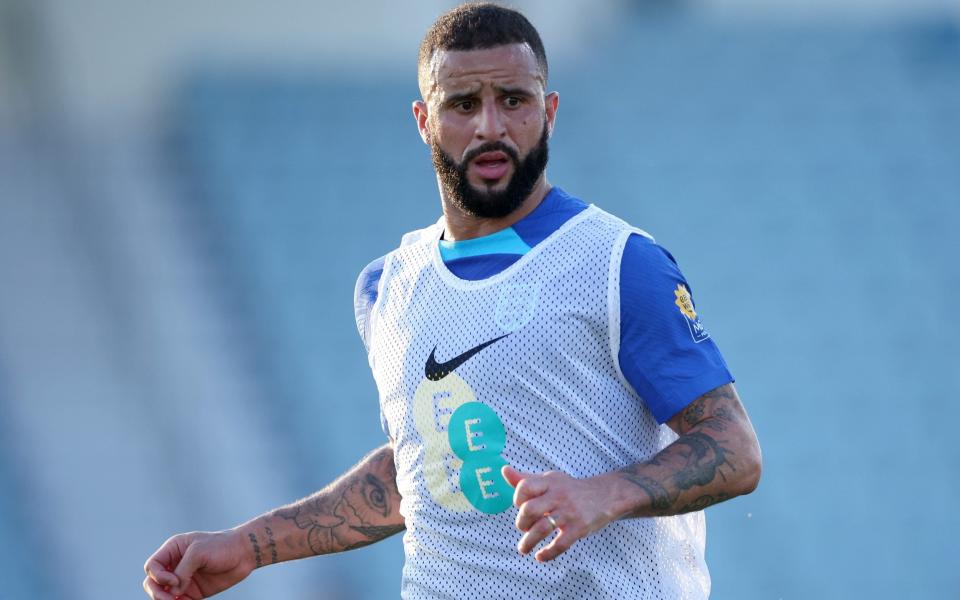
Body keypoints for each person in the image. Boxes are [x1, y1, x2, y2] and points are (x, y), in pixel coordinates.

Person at [143, 3, 762, 599]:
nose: (491, 126)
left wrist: (602, 493)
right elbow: (423, 470)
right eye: (463, 104)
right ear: (423, 120)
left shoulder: (618, 262)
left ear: (548, 111)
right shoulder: (387, 287)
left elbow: (733, 449)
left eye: (513, 101)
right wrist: (249, 546)